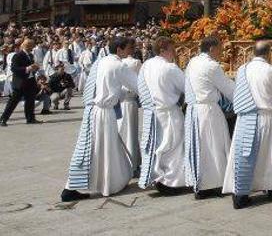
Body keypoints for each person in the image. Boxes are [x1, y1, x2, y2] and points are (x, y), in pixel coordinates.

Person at [61, 37, 138, 201]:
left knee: (97, 149)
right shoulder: (118, 65)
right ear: (119, 49)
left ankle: (106, 182)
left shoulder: (101, 62)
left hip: (94, 110)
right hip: (104, 112)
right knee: (94, 150)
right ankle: (78, 187)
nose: (131, 51)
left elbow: (108, 87)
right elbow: (138, 85)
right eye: (129, 48)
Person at [222, 40, 272, 209]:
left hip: (245, 117)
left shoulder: (242, 69)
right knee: (268, 155)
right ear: (269, 53)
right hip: (265, 116)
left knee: (244, 155)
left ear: (252, 52)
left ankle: (241, 193)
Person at [184, 36, 235, 199]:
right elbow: (229, 90)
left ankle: (202, 184)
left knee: (201, 148)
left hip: (194, 110)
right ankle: (217, 183)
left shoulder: (193, 61)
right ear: (212, 48)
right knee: (214, 146)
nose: (222, 51)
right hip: (209, 110)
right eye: (220, 48)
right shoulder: (212, 66)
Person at [138, 37, 187, 194]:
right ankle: (171, 182)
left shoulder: (147, 64)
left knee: (159, 145)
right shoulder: (169, 68)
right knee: (174, 146)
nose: (174, 53)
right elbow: (187, 86)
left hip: (153, 112)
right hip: (169, 111)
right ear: (163, 50)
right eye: (172, 49)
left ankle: (158, 177)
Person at [0, 39, 41, 126]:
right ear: (27, 46)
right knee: (13, 102)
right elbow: (14, 69)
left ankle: (30, 118)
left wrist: (35, 68)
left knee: (30, 101)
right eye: (31, 46)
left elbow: (32, 67)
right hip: (20, 82)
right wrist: (27, 68)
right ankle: (3, 119)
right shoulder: (18, 55)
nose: (32, 48)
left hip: (30, 81)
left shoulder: (31, 55)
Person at [118, 43, 141, 174]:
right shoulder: (136, 63)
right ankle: (133, 162)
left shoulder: (120, 62)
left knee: (124, 130)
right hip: (130, 100)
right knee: (131, 132)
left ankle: (130, 161)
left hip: (122, 100)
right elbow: (139, 82)